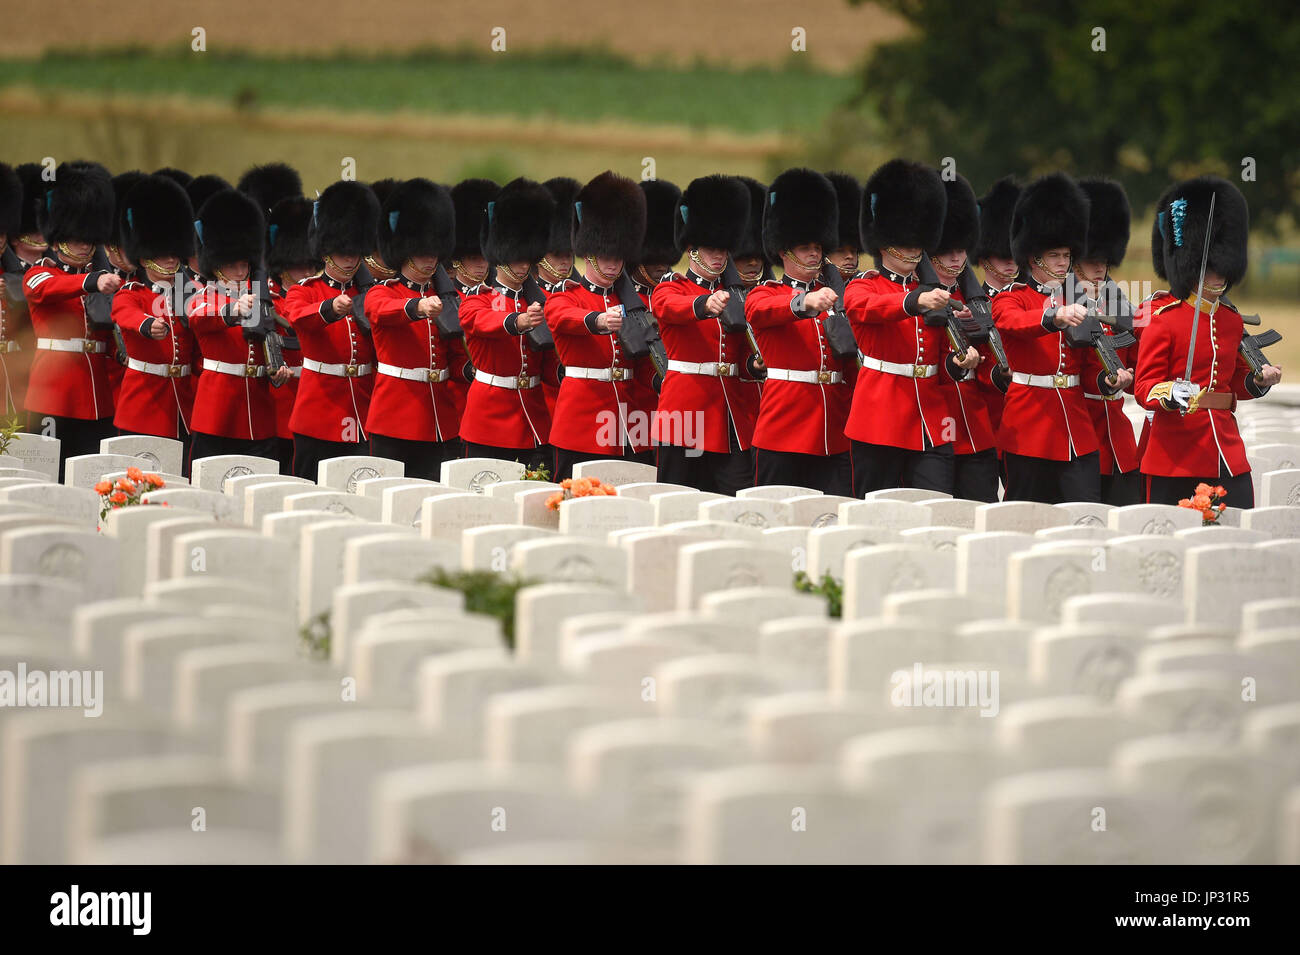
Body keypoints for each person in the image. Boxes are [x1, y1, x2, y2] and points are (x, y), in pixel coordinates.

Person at [1136, 176, 1281, 508]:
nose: (1217, 277)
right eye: (1209, 270)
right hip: (1176, 451)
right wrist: (1169, 392)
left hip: (1224, 447)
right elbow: (1145, 387)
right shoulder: (1165, 320)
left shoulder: (1230, 320)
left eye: (1222, 270)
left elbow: (1233, 383)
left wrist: (1258, 381)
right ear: (1189, 269)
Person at [843, 159, 980, 496]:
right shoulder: (866, 284)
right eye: (906, 244)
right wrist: (913, 302)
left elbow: (940, 358)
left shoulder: (933, 290)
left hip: (929, 418)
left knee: (936, 506)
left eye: (918, 243)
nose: (913, 250)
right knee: (875, 511)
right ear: (884, 243)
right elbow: (864, 308)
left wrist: (959, 362)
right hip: (880, 418)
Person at [993, 172, 1121, 504]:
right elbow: (1013, 323)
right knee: (1026, 515)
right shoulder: (1013, 296)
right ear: (1034, 258)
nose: (1063, 262)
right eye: (1055, 256)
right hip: (1030, 423)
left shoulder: (1078, 299)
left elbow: (1087, 367)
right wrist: (1053, 316)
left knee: (1085, 511)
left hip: (1075, 425)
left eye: (1066, 256)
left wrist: (1109, 379)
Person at [745, 168, 855, 495]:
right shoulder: (765, 292)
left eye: (818, 247)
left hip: (832, 428)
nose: (814, 253)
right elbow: (760, 311)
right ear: (783, 251)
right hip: (784, 427)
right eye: (805, 247)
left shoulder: (837, 293)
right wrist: (805, 301)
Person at [650, 174, 762, 494]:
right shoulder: (672, 285)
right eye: (711, 248)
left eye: (723, 249)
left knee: (735, 497)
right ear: (692, 248)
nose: (719, 256)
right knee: (677, 497)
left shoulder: (735, 293)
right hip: (686, 410)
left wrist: (754, 366)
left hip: (728, 414)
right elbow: (670, 307)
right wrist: (704, 304)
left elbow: (738, 354)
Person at [544, 170, 654, 480]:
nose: (612, 263)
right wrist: (597, 320)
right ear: (589, 253)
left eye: (618, 256)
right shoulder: (569, 294)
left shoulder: (636, 303)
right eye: (606, 255)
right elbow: (560, 316)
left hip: (629, 423)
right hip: (581, 420)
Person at [365, 178, 472, 479]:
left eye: (434, 252)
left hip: (439, 416)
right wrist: (416, 308)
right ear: (406, 250)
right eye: (423, 252)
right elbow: (380, 311)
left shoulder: (451, 298)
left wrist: (471, 369)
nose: (431, 259)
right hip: (396, 416)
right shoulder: (384, 291)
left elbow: (454, 354)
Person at [22, 162, 120, 478]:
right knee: (45, 474)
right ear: (60, 237)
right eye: (78, 238)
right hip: (53, 392)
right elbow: (47, 289)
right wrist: (91, 282)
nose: (85, 245)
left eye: (89, 240)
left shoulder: (105, 278)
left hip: (95, 394)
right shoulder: (39, 274)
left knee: (91, 477)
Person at [282, 181, 380, 480]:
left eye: (354, 251)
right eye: (342, 251)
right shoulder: (307, 289)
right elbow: (297, 315)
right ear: (326, 251)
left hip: (361, 406)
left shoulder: (371, 291)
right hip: (319, 408)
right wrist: (328, 309)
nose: (350, 258)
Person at [186, 188, 289, 464]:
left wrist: (280, 368)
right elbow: (199, 317)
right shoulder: (204, 297)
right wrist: (232, 310)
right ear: (217, 266)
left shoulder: (266, 298)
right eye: (233, 265)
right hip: (217, 410)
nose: (241, 271)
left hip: (258, 411)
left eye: (244, 264)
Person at [459, 177, 555, 470]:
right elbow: (481, 322)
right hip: (490, 419)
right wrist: (519, 321)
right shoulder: (479, 297)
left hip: (534, 417)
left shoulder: (542, 299)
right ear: (501, 255)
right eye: (517, 258)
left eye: (528, 258)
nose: (524, 265)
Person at [111, 174, 199, 464]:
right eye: (163, 255)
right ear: (146, 255)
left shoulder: (191, 294)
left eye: (175, 254)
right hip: (144, 401)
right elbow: (125, 314)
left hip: (182, 402)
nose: (172, 261)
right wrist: (147, 325)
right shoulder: (132, 292)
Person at [931, 173, 1000, 502]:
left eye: (961, 251)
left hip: (975, 422)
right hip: (935, 418)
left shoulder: (974, 296)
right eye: (947, 252)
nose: (957, 259)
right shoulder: (917, 296)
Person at [1075, 177, 1141, 506]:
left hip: (1119, 433)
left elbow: (1139, 360)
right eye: (1092, 260)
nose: (1100, 267)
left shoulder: (1118, 302)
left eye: (1104, 261)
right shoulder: (1060, 304)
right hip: (1082, 430)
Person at [971, 176, 1021, 441]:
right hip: (985, 417)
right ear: (984, 258)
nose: (1011, 263)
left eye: (1015, 256)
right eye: (1003, 257)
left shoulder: (1031, 301)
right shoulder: (972, 301)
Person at [447, 179, 499, 294]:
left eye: (485, 258)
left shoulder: (499, 296)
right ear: (458, 260)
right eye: (473, 258)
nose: (481, 264)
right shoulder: (444, 298)